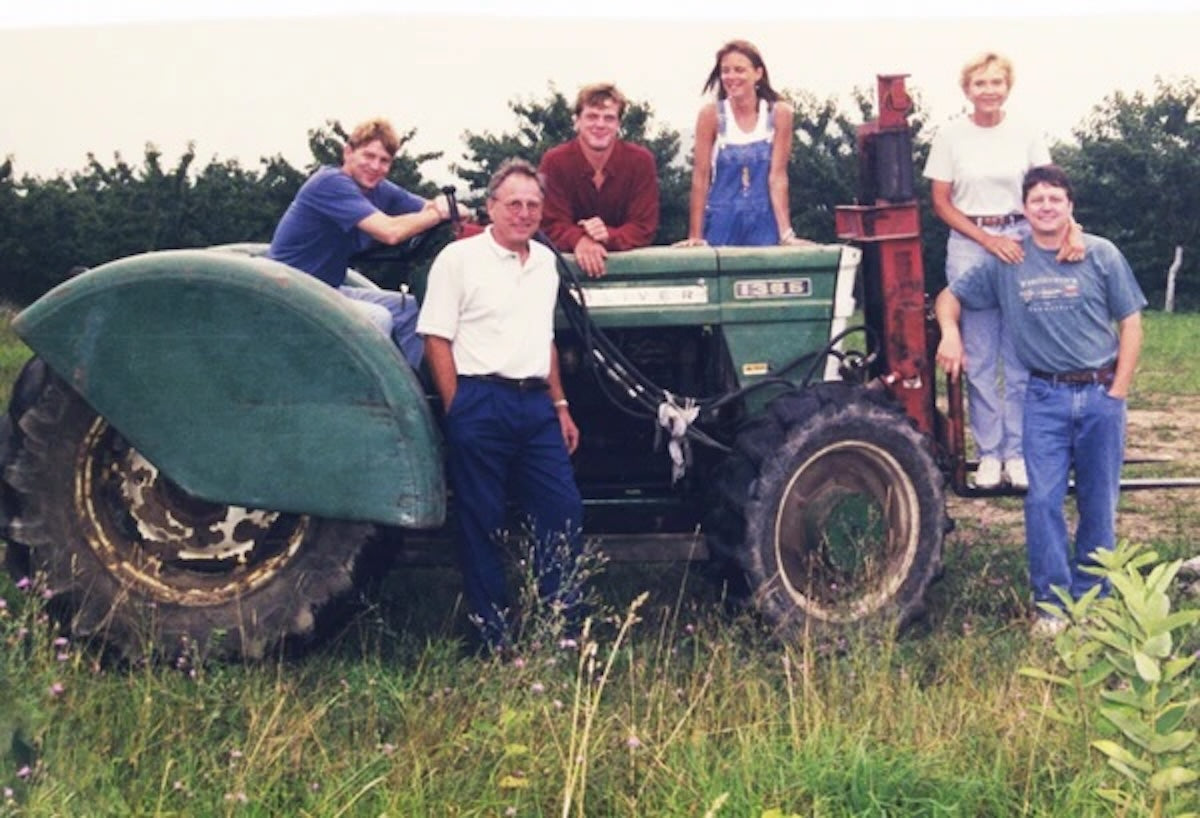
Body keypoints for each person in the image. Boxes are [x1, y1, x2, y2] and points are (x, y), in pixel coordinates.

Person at [934, 164, 1145, 637]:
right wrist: (950, 333)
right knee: (1043, 501)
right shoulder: (1007, 259)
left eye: (1055, 199)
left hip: (1098, 394)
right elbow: (949, 298)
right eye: (1037, 200)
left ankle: (1093, 601)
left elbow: (1131, 322)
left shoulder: (1100, 254)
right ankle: (1051, 605)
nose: (1046, 207)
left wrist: (1118, 392)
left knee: (1098, 502)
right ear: (1024, 211)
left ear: (1070, 207)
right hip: (1044, 397)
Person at [417, 157, 584, 651]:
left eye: (534, 205)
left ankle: (560, 628)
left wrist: (560, 403)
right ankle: (491, 637)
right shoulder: (458, 260)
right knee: (481, 519)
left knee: (562, 511)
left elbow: (545, 338)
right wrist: (459, 408)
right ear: (491, 207)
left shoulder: (546, 263)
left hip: (535, 405)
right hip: (480, 400)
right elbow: (435, 338)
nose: (525, 213)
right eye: (514, 203)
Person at [924, 52, 1084, 490]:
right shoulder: (951, 136)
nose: (989, 90)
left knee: (1018, 359)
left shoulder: (1027, 133)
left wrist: (1072, 229)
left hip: (1022, 242)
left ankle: (1016, 454)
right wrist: (986, 239)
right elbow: (941, 202)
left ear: (1007, 87)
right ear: (967, 90)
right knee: (978, 358)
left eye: (997, 82)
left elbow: (1048, 189)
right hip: (971, 244)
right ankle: (988, 454)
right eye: (980, 83)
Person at [268, 117, 469, 368]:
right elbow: (390, 232)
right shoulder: (330, 184)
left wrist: (448, 207)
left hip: (327, 288)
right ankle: (372, 399)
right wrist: (437, 214)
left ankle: (413, 394)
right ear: (348, 152)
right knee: (378, 318)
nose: (375, 166)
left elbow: (429, 207)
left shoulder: (378, 189)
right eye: (368, 156)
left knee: (410, 312)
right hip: (289, 294)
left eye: (384, 161)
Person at [676, 39, 812, 248]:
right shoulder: (711, 115)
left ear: (758, 73)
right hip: (722, 219)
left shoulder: (779, 114)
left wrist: (786, 234)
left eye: (739, 70)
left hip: (764, 221)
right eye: (725, 71)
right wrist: (695, 236)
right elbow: (701, 177)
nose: (731, 77)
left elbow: (777, 177)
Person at [538, 82, 660, 278]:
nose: (600, 125)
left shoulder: (641, 161)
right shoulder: (554, 162)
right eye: (592, 116)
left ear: (618, 124)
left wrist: (607, 236)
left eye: (609, 118)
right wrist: (579, 240)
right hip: (566, 274)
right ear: (576, 121)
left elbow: (644, 226)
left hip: (628, 272)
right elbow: (549, 223)